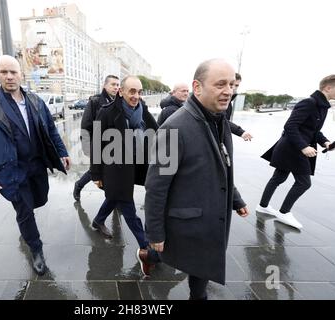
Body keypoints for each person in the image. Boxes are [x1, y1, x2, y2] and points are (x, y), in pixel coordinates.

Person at [144, 59, 249, 300]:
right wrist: (155, 233)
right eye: (220, 84)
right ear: (197, 87)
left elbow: (221, 166)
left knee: (199, 266)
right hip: (189, 220)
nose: (228, 91)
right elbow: (156, 186)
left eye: (232, 84)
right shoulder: (174, 128)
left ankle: (154, 260)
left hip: (211, 215)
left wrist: (236, 199)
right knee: (194, 269)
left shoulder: (219, 119)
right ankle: (152, 254)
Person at [0, 55, 71, 276]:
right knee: (25, 211)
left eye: (13, 72)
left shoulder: (35, 101)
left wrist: (62, 152)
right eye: (4, 72)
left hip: (36, 165)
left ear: (20, 74)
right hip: (10, 171)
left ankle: (26, 225)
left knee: (39, 199)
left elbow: (51, 130)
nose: (9, 76)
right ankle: (36, 249)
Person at [257, 74, 335, 230]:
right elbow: (290, 126)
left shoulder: (322, 106)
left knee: (278, 177)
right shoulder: (309, 103)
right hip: (293, 149)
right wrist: (304, 147)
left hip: (292, 147)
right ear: (328, 88)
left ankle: (262, 206)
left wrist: (325, 142)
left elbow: (313, 130)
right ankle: (284, 212)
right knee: (304, 183)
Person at [90, 76, 160, 277]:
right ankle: (147, 250)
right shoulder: (107, 112)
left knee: (114, 198)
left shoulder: (142, 108)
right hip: (115, 166)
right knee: (127, 205)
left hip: (137, 163)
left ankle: (98, 220)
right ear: (121, 91)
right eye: (132, 91)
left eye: (139, 92)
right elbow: (96, 143)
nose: (136, 96)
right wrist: (96, 173)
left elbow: (156, 129)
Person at [73, 75, 120, 201]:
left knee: (107, 172)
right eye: (113, 84)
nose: (116, 87)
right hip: (98, 145)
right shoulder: (95, 101)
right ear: (105, 85)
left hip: (114, 145)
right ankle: (79, 185)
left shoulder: (119, 101)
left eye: (117, 85)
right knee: (96, 171)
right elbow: (86, 126)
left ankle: (112, 199)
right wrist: (88, 148)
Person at [226, 73, 253, 141]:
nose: (234, 87)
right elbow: (222, 121)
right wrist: (241, 132)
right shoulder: (221, 100)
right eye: (231, 84)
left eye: (237, 85)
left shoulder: (228, 102)